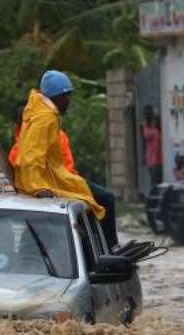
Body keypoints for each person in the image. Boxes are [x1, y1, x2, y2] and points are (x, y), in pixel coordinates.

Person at [13, 70, 117, 247]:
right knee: (103, 198)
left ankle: (98, 245)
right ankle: (109, 247)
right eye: (66, 96)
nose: (69, 100)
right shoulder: (45, 119)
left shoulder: (41, 114)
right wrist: (39, 188)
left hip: (53, 176)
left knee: (89, 196)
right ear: (57, 96)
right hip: (47, 180)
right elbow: (31, 156)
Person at [142, 105, 163, 186]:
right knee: (153, 178)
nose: (147, 114)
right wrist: (143, 156)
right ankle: (153, 196)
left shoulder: (157, 122)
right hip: (150, 154)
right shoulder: (144, 125)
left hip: (159, 154)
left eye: (149, 112)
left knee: (157, 178)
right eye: (146, 113)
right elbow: (143, 141)